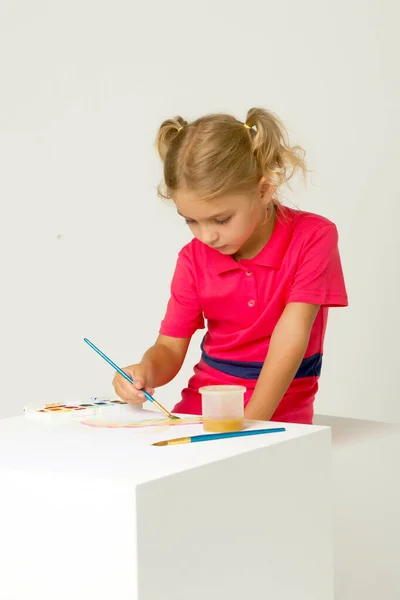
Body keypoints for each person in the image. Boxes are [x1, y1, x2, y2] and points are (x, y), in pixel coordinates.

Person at [112, 108, 348, 424]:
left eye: (221, 219)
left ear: (263, 190)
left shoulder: (313, 237)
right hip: (204, 411)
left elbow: (291, 337)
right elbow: (169, 347)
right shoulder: (193, 259)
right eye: (191, 221)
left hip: (275, 418)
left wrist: (248, 425)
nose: (206, 236)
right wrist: (144, 371)